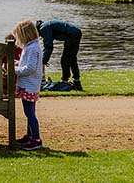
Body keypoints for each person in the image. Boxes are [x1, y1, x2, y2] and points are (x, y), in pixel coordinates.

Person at [12, 19, 43, 151]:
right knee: (29, 112)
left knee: (29, 113)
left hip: (29, 85)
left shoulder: (32, 48)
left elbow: (30, 68)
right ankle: (30, 135)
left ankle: (36, 138)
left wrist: (15, 71)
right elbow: (27, 63)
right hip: (29, 84)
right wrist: (17, 63)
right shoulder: (31, 47)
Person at [36, 19, 83, 90]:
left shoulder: (44, 28)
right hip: (76, 33)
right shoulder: (46, 25)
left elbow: (49, 46)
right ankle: (77, 82)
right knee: (72, 59)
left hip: (72, 36)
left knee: (65, 60)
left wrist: (44, 61)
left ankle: (65, 81)